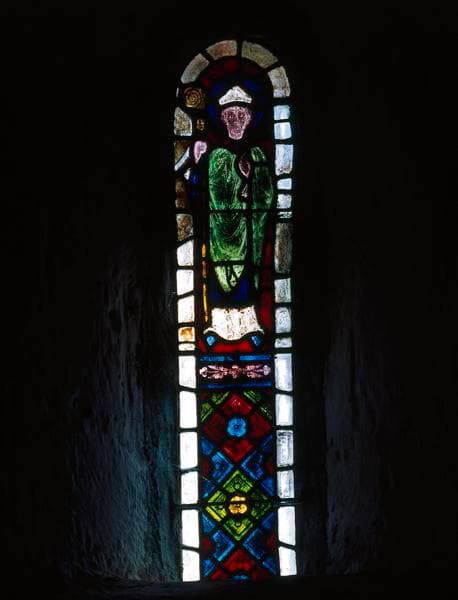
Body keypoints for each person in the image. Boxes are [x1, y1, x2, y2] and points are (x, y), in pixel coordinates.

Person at [194, 85, 274, 347]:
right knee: (216, 279)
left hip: (247, 232)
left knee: (246, 281)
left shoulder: (257, 155)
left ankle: (250, 325)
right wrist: (198, 161)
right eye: (230, 116)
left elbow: (266, 196)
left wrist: (252, 179)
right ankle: (217, 327)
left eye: (241, 115)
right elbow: (199, 192)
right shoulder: (214, 156)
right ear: (223, 119)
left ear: (249, 119)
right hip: (218, 234)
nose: (236, 121)